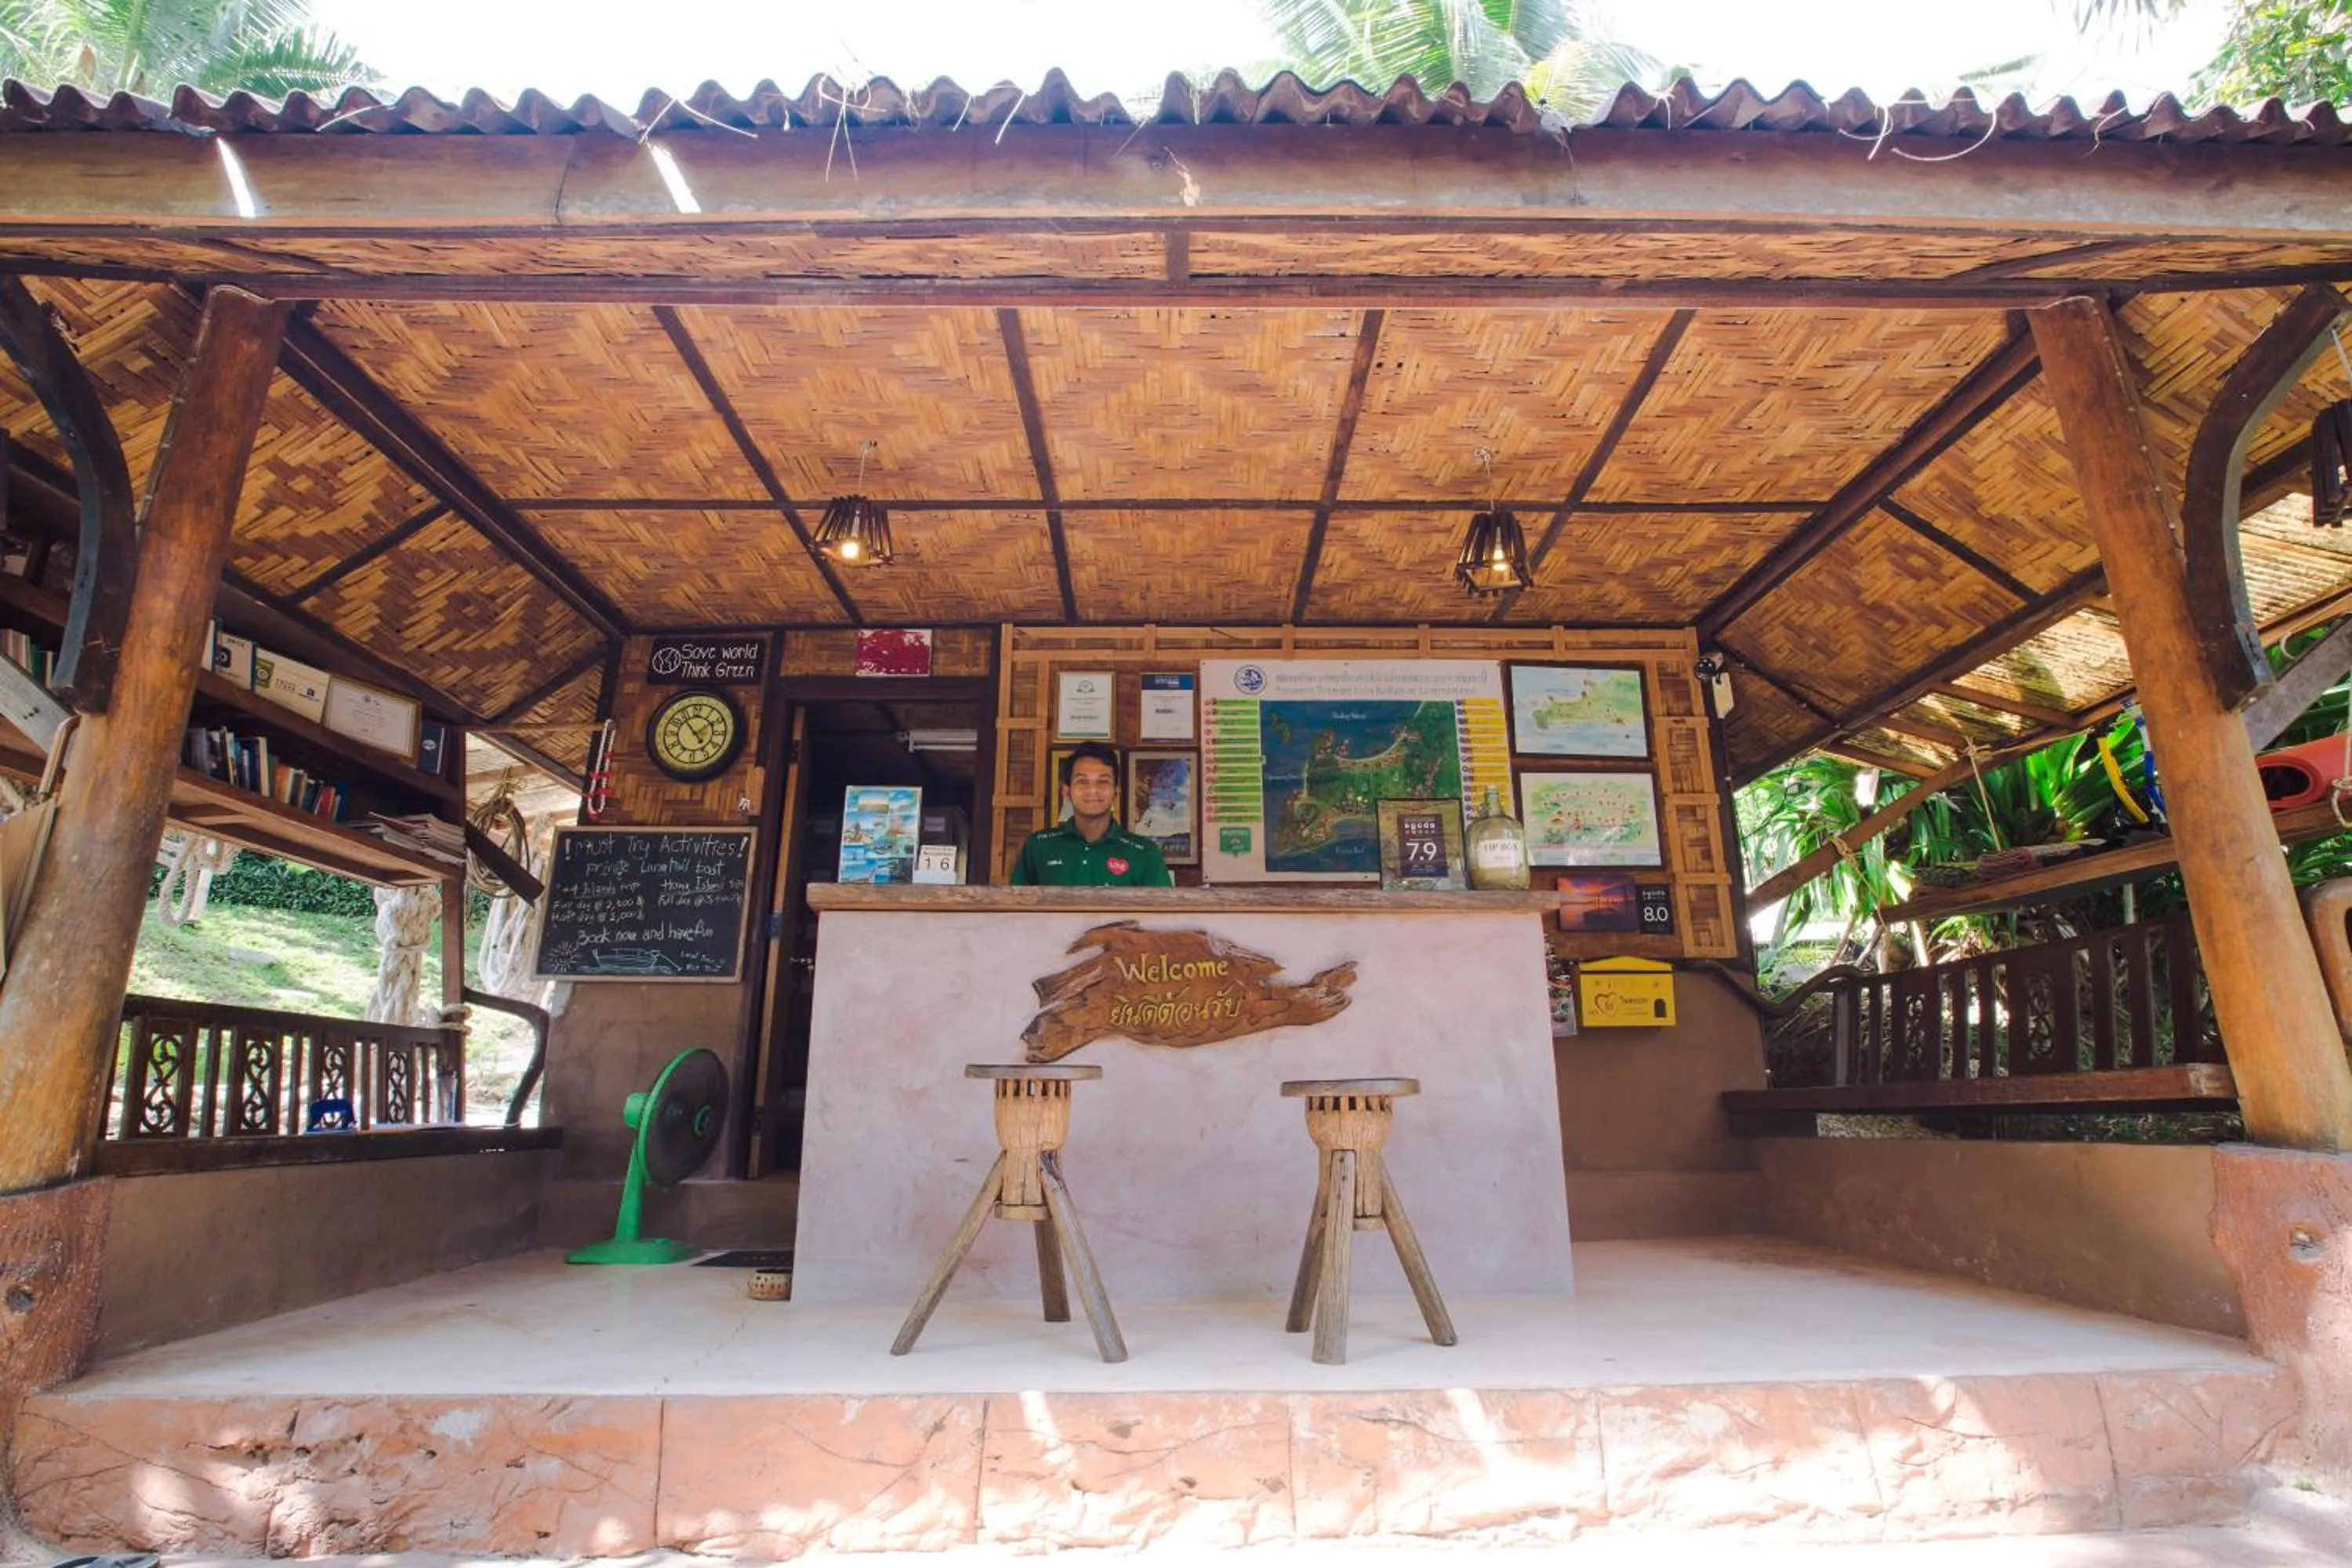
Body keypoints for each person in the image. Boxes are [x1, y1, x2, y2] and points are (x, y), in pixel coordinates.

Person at [1011, 741, 1174, 887]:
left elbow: (1163, 916)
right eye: (1082, 781)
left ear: (1116, 791)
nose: (1093, 790)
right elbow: (1014, 912)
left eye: (1103, 781)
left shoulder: (1145, 853)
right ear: (1066, 791)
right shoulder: (1038, 846)